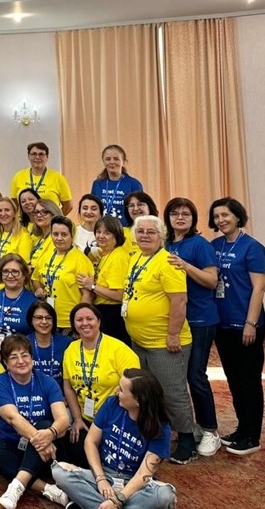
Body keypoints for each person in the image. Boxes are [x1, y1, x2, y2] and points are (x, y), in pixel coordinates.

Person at [123, 215, 196, 465]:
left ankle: (187, 441)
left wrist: (173, 334)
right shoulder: (137, 258)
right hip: (140, 341)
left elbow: (179, 301)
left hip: (165, 343)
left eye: (150, 232)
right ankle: (158, 434)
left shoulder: (168, 262)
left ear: (161, 236)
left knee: (173, 392)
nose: (144, 235)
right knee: (148, 393)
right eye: (140, 231)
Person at [52, 368, 177, 509]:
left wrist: (118, 500)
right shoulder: (111, 404)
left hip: (136, 485)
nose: (116, 391)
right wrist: (100, 479)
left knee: (166, 495)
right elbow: (90, 442)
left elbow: (144, 474)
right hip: (105, 474)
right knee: (59, 471)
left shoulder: (160, 428)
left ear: (138, 400)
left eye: (122, 390)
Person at [0, 332, 71, 508]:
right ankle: (47, 489)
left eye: (24, 355)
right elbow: (13, 418)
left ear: (32, 358)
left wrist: (50, 434)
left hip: (47, 452)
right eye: (13, 357)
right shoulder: (0, 383)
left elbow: (63, 419)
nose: (21, 361)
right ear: (6, 363)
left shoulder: (47, 382)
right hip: (18, 446)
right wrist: (42, 441)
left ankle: (17, 486)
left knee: (45, 425)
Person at [209, 197, 265, 457]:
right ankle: (242, 429)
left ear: (237, 216)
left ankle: (252, 436)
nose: (221, 220)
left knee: (249, 381)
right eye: (217, 216)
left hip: (245, 324)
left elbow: (259, 288)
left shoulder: (252, 247)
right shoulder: (215, 245)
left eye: (225, 215)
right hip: (222, 324)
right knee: (234, 380)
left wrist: (250, 323)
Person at [164, 197, 221, 457]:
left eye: (186, 214)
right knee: (175, 377)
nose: (180, 217)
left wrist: (186, 266)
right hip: (175, 318)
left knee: (195, 375)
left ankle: (210, 430)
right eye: (175, 213)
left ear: (193, 218)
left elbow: (211, 280)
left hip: (199, 318)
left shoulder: (199, 244)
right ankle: (187, 426)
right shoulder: (165, 244)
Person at [60, 303, 139, 450]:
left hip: (114, 417)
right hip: (84, 416)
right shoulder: (71, 349)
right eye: (79, 320)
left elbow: (134, 388)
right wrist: (77, 418)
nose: (85, 323)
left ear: (99, 321)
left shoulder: (119, 349)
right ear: (74, 325)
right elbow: (68, 387)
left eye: (89, 319)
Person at [32, 216, 94, 328]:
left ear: (72, 236)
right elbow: (35, 278)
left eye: (64, 235)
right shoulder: (45, 256)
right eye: (55, 234)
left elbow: (87, 295)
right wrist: (39, 289)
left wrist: (80, 321)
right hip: (47, 320)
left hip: (69, 322)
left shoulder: (81, 260)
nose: (59, 238)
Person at [77, 216, 129, 344]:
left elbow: (119, 295)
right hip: (103, 311)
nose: (101, 236)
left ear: (116, 235)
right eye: (98, 232)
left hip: (113, 315)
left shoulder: (118, 257)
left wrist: (92, 286)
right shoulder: (105, 254)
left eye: (107, 233)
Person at [0, 253, 35, 351]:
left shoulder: (33, 302)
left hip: (21, 355)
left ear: (24, 275)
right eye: (5, 271)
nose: (10, 276)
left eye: (15, 272)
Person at [10, 142, 72, 215]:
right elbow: (14, 204)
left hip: (48, 221)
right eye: (34, 154)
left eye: (41, 154)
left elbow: (68, 206)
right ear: (28, 156)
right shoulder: (18, 176)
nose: (37, 157)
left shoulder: (58, 178)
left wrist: (55, 218)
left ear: (47, 157)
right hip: (24, 221)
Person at [0, 197, 33, 291]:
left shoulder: (23, 235)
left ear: (14, 213)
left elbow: (24, 268)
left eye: (7, 210)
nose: (3, 214)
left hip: (14, 289)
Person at [89, 145, 143, 224]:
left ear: (123, 162)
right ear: (103, 161)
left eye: (116, 159)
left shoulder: (134, 184)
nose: (112, 162)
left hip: (126, 228)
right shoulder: (97, 184)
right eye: (108, 159)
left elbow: (140, 210)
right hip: (103, 228)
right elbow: (93, 207)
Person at [26, 300, 72, 384]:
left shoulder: (66, 342)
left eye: (48, 318)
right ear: (31, 320)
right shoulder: (24, 343)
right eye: (39, 318)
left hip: (59, 391)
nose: (44, 322)